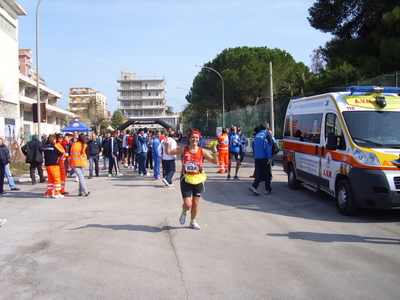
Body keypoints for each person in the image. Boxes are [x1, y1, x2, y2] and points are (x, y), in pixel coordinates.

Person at [164, 129, 218, 230]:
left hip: (198, 178)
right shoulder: (183, 149)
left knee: (196, 203)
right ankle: (184, 212)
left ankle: (193, 221)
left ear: (199, 139)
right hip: (186, 178)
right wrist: (166, 146)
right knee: (188, 204)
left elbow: (215, 162)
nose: (194, 139)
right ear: (189, 139)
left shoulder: (202, 151)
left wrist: (215, 153)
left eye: (196, 137)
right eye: (193, 137)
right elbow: (169, 152)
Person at [249, 123, 273, 196]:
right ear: (266, 128)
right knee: (267, 173)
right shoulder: (266, 135)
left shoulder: (256, 136)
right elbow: (269, 147)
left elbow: (253, 146)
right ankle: (267, 189)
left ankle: (254, 186)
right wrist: (270, 157)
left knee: (259, 173)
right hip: (265, 157)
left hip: (257, 157)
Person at [43, 134, 64, 198]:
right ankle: (57, 193)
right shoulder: (53, 147)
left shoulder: (46, 147)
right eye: (55, 139)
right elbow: (60, 153)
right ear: (53, 140)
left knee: (50, 179)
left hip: (47, 165)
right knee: (56, 178)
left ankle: (49, 193)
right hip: (54, 164)